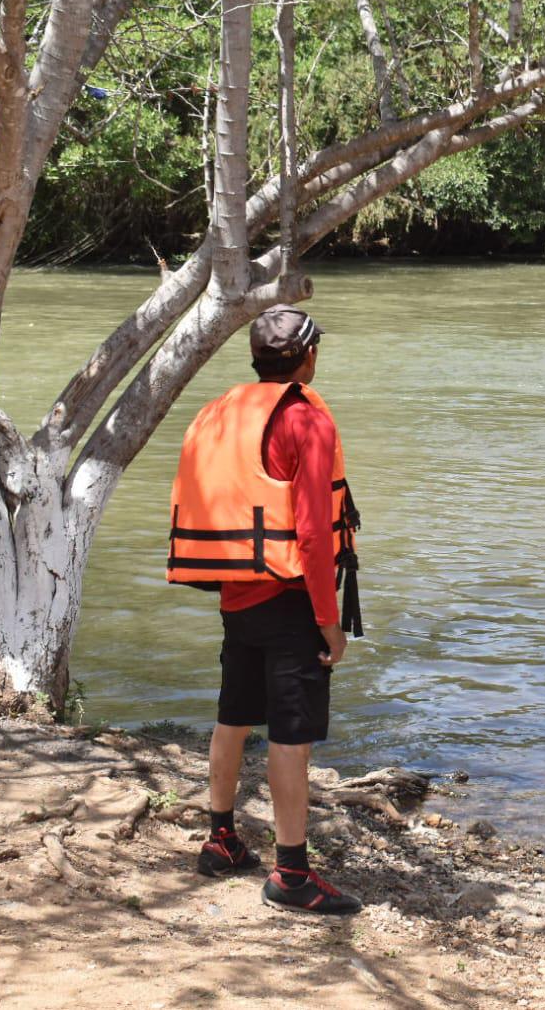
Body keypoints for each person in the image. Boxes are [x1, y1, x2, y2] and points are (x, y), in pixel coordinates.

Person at [167, 304, 364, 916]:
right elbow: (312, 534)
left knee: (233, 716)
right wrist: (330, 624)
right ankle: (292, 875)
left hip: (237, 593)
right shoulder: (305, 419)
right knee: (290, 736)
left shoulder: (222, 410)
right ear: (309, 356)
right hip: (289, 598)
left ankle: (220, 840)